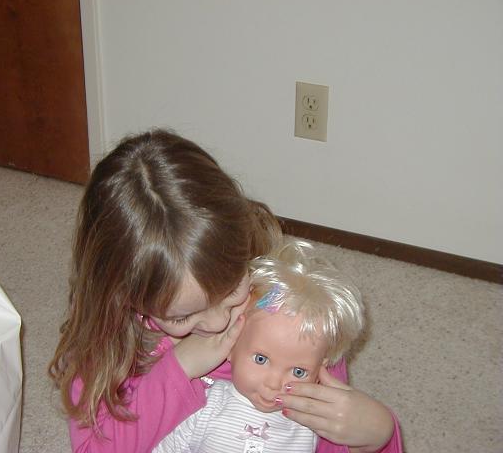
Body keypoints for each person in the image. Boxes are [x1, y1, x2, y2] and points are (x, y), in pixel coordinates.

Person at [48, 128, 402, 453]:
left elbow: (321, 435)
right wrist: (180, 367)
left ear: (243, 243)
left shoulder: (282, 312)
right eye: (182, 317)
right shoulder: (108, 349)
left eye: (231, 290)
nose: (219, 323)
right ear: (124, 296)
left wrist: (379, 435)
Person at [153, 239, 377, 453]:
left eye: (298, 372)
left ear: (321, 369)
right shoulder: (206, 405)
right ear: (231, 346)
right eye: (261, 359)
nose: (274, 383)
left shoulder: (308, 425)